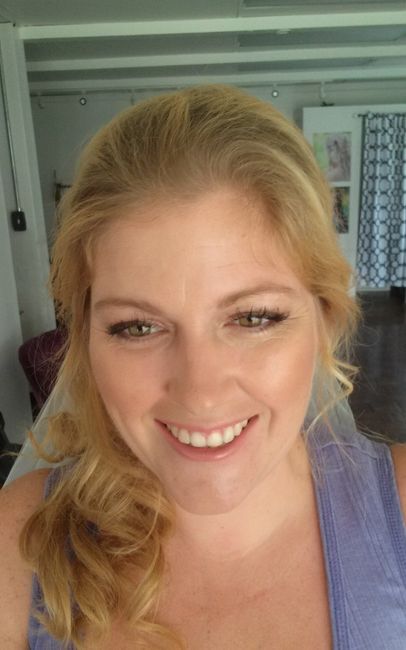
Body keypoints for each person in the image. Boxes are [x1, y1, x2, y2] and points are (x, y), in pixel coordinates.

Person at [0, 84, 405, 650]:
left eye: (254, 317)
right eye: (138, 327)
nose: (201, 393)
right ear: (86, 339)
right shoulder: (19, 545)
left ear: (325, 319)